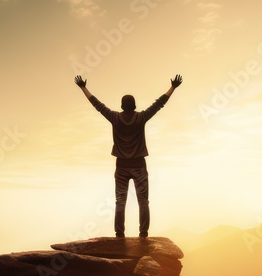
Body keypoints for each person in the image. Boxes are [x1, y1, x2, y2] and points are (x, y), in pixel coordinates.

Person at [75, 74, 183, 237]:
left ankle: (119, 234)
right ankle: (143, 234)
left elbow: (97, 105)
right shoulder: (140, 117)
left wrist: (83, 87)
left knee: (120, 202)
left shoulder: (115, 118)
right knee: (143, 202)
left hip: (121, 166)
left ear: (122, 105)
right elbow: (158, 104)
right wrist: (173, 87)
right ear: (134, 105)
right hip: (139, 166)